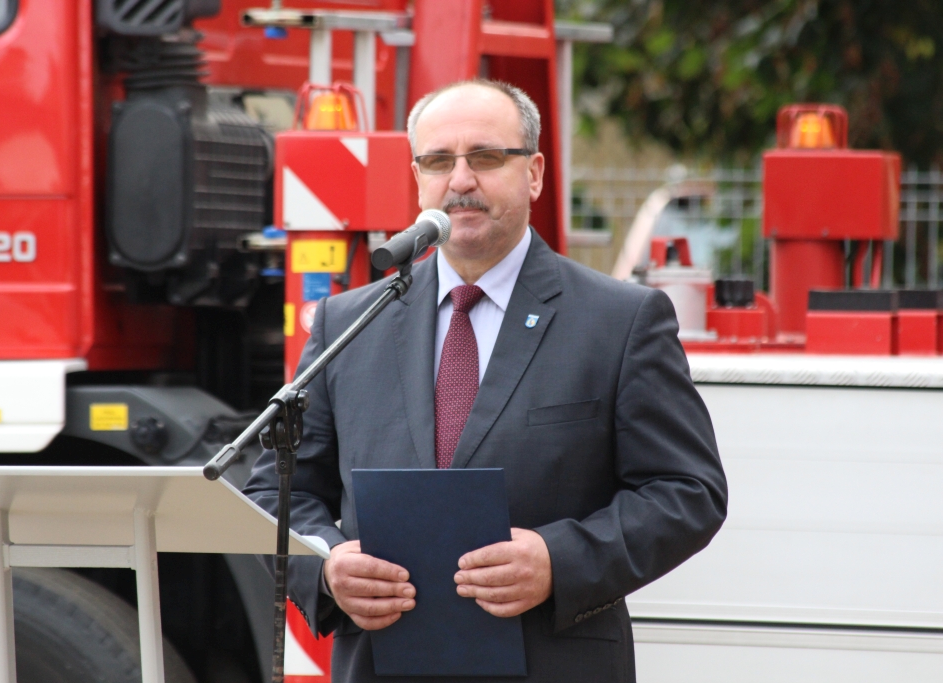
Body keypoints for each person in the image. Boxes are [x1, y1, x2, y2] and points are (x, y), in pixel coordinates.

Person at [244, 79, 727, 683]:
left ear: (535, 174)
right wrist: (326, 566)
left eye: (487, 157)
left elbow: (687, 491)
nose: (461, 180)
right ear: (417, 177)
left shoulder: (620, 321)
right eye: (438, 161)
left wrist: (558, 561)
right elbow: (273, 496)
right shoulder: (348, 323)